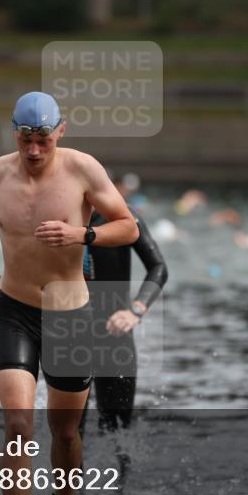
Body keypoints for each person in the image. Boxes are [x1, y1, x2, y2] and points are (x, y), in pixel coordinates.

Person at [0, 91, 138, 495]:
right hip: (14, 309)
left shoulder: (83, 170)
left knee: (64, 434)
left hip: (70, 310)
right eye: (24, 139)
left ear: (60, 131)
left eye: (42, 139)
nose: (34, 150)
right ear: (13, 132)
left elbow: (129, 226)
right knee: (18, 426)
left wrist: (84, 234)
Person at [83, 171, 168, 433]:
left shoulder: (123, 217)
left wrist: (135, 310)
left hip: (114, 329)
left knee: (117, 428)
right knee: (69, 429)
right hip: (71, 330)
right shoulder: (58, 219)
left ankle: (121, 474)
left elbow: (158, 268)